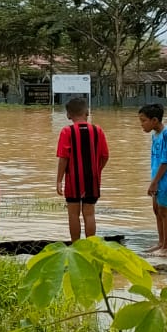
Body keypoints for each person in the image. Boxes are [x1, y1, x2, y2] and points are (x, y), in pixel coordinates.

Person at [56, 96, 109, 243]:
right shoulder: (98, 131)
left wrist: (59, 180)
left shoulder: (67, 131)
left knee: (73, 214)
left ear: (68, 115)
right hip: (92, 179)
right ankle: (90, 245)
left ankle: (76, 245)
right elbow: (105, 156)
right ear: (87, 112)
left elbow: (63, 158)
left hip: (74, 179)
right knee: (89, 213)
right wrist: (97, 171)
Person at [139, 103, 167, 256]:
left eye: (144, 121)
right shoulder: (155, 135)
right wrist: (153, 180)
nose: (142, 125)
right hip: (156, 178)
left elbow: (165, 161)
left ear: (154, 120)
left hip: (166, 178)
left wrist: (155, 182)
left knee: (165, 211)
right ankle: (161, 242)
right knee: (156, 210)